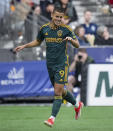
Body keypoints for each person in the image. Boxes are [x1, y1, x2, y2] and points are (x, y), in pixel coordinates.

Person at [14, 7, 83, 128]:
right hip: (50, 64)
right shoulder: (44, 28)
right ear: (52, 15)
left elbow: (77, 44)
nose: (59, 19)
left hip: (62, 64)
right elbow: (38, 41)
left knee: (57, 92)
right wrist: (24, 46)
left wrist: (71, 40)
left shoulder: (66, 29)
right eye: (57, 16)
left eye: (61, 17)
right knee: (61, 91)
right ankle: (77, 104)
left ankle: (52, 119)